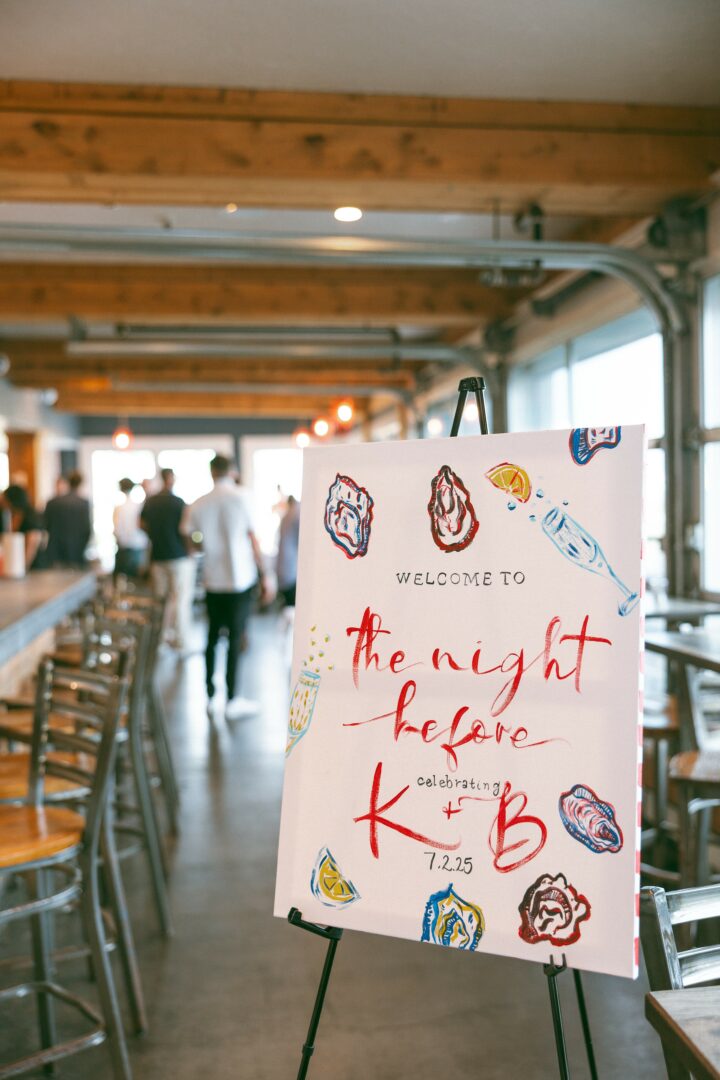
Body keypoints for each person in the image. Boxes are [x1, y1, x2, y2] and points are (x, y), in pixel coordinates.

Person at [184, 454, 268, 718]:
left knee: (211, 638)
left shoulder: (199, 503)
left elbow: (189, 538)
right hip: (239, 578)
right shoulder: (243, 497)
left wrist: (205, 547)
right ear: (232, 471)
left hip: (213, 578)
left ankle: (210, 695)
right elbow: (253, 538)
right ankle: (232, 698)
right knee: (235, 637)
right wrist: (266, 574)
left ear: (212, 472)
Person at [140, 467, 194, 652]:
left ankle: (161, 639)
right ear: (172, 479)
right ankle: (180, 640)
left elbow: (142, 525)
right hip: (178, 557)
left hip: (158, 556)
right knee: (180, 600)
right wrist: (189, 550)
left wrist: (155, 536)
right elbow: (186, 530)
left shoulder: (151, 502)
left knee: (161, 600)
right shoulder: (179, 503)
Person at [42, 470, 92, 569]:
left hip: (55, 553)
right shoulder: (84, 503)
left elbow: (45, 525)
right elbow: (87, 529)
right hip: (77, 553)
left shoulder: (52, 503)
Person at [0, 484, 44, 568]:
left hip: (34, 567)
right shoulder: (12, 515)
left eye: (4, 499)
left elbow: (32, 544)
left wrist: (23, 568)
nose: (2, 503)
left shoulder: (30, 516)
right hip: (18, 565)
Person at [112, 478, 148, 580]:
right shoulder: (139, 505)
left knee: (123, 576)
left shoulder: (119, 508)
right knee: (137, 578)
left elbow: (117, 529)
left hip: (124, 546)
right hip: (139, 545)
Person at [276, 494, 300, 607]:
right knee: (292, 605)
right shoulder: (297, 513)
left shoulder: (286, 516)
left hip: (284, 567)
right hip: (290, 568)